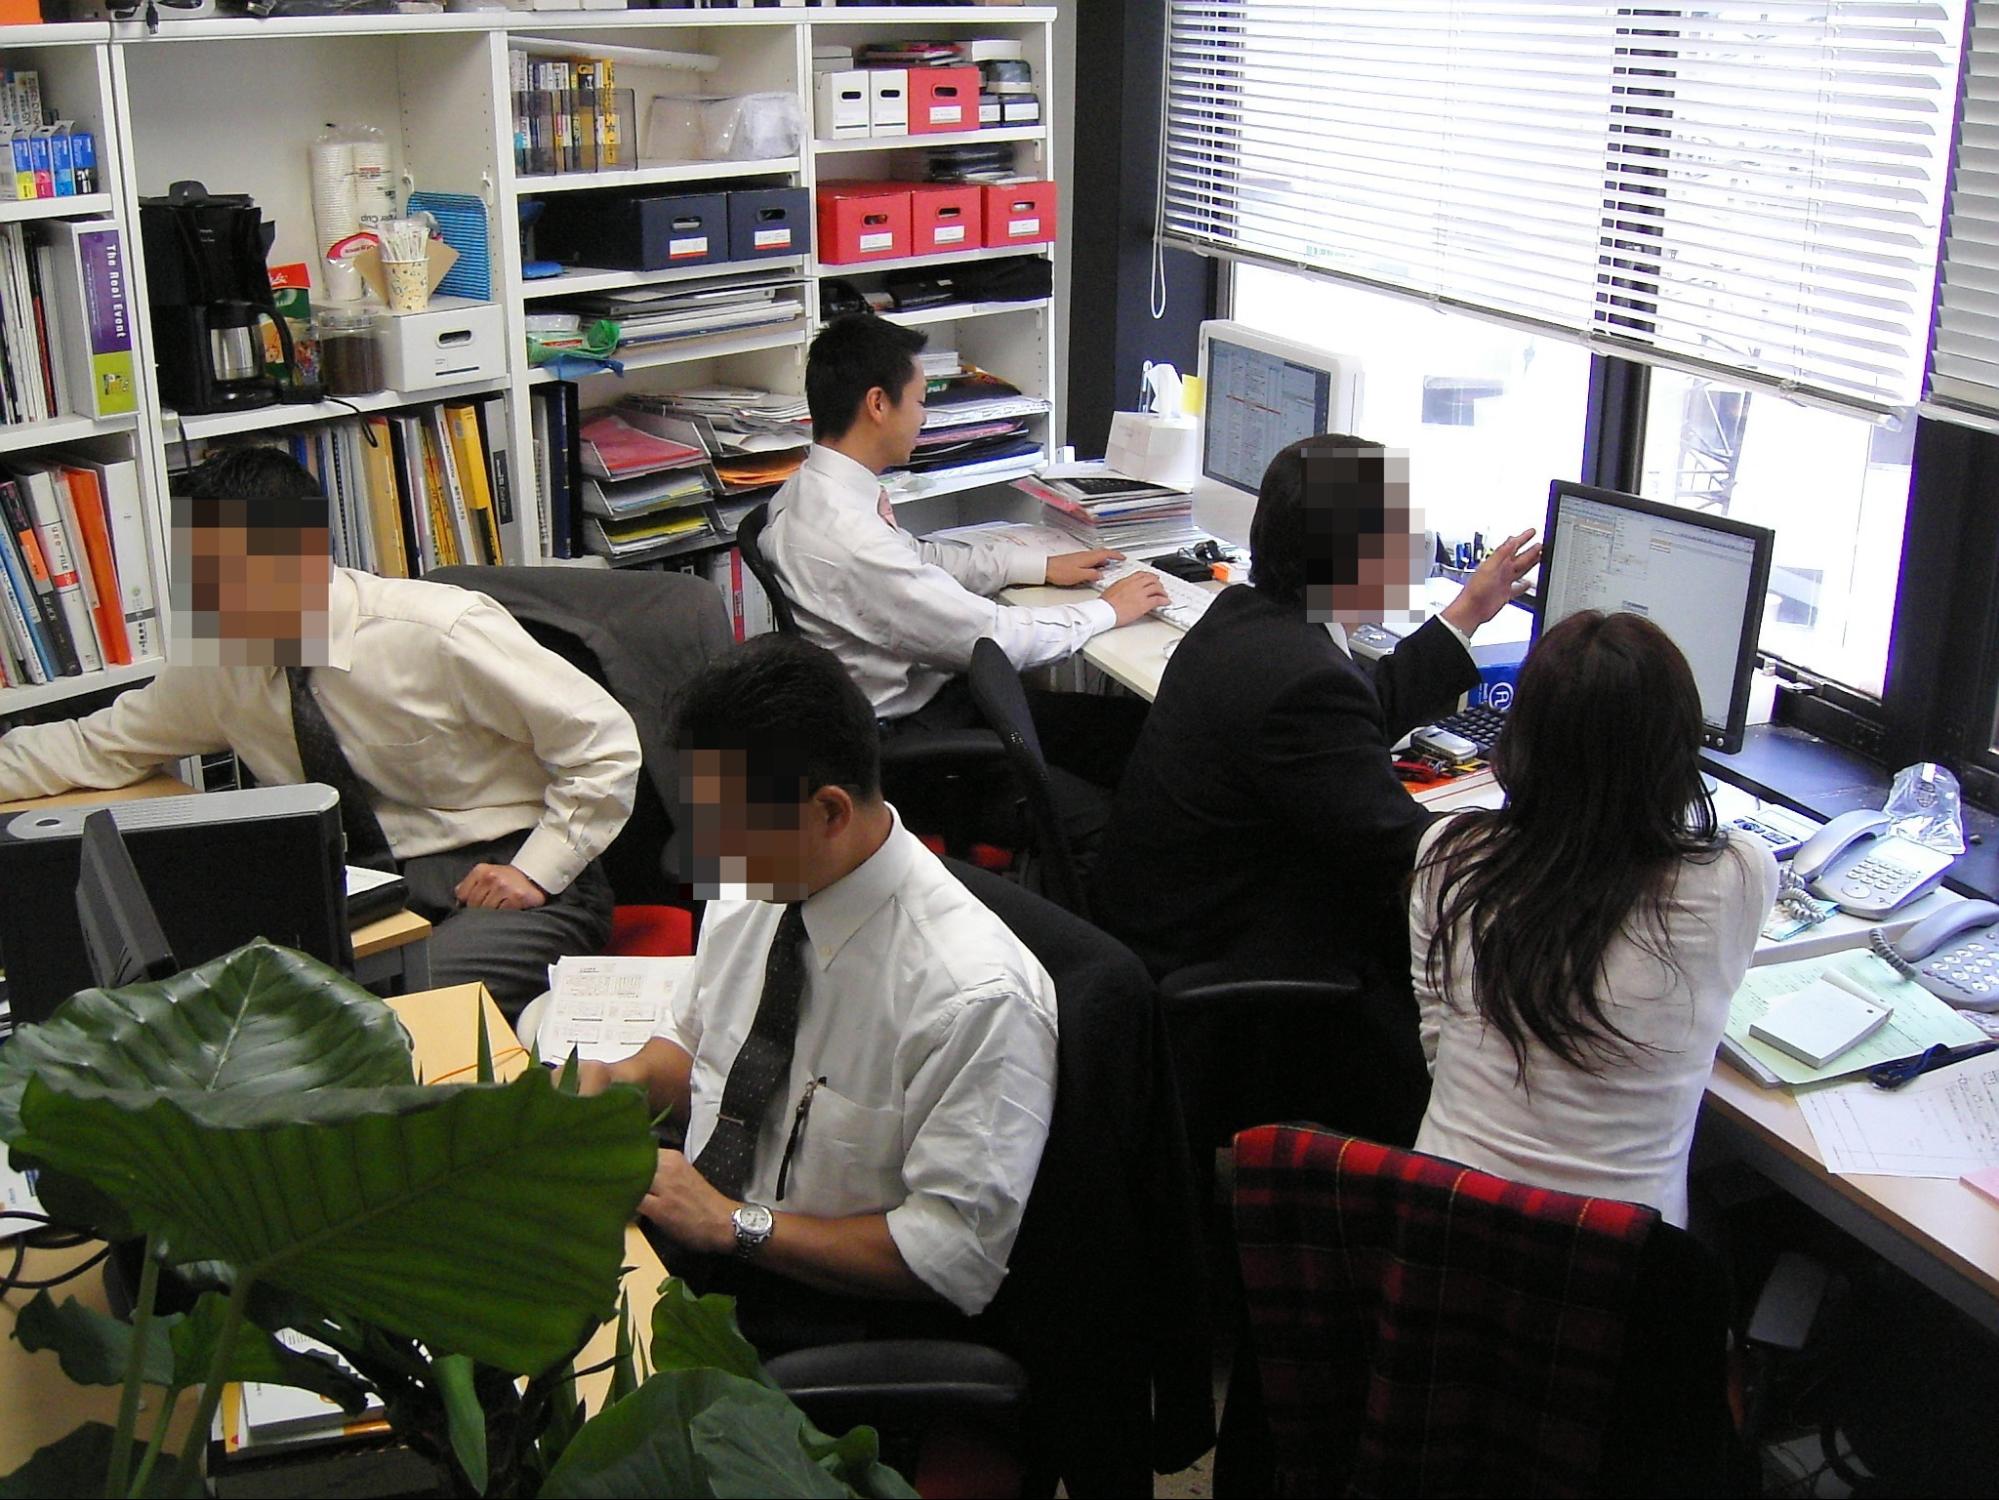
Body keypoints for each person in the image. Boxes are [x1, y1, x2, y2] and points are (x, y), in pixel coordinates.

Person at [0, 448, 641, 1016]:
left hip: (507, 869)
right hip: (351, 883)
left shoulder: (436, 633)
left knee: (391, 1025)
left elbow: (604, 743)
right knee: (219, 1004)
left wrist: (537, 869)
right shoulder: (223, 663)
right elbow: (96, 746)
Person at [577, 635, 1059, 1340]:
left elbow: (953, 1254)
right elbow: (702, 1050)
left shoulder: (974, 997)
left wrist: (731, 1224)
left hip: (821, 1308)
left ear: (829, 812)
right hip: (695, 1241)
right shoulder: (758, 886)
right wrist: (626, 1078)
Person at [1090, 433, 1538, 989]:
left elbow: (1354, 713)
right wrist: (1530, 841)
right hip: (1223, 953)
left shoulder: (1244, 615)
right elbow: (1405, 849)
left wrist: (1467, 611)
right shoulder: (1308, 683)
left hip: (1158, 917)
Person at [1410, 610, 1779, 1226]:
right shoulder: (1741, 874)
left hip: (1445, 1239)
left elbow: (1438, 1049)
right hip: (1619, 1263)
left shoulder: (1448, 856)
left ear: (1521, 739)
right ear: (1676, 750)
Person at [757, 315, 1165, 797]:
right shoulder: (852, 540)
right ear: (878, 404)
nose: (924, 418)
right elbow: (995, 640)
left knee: (1126, 729)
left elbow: (918, 559)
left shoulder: (806, 491)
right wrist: (1107, 610)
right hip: (920, 739)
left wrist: (1035, 566)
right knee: (1142, 743)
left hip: (906, 707)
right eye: (920, 402)